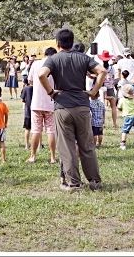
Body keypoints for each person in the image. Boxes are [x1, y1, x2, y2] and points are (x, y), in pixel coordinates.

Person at [38, 28, 106, 192]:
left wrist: (51, 92)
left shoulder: (54, 59)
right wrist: (93, 91)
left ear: (57, 43)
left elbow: (41, 75)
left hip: (63, 107)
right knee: (87, 145)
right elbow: (102, 71)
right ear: (72, 41)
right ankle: (95, 181)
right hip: (82, 106)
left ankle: (74, 183)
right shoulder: (83, 57)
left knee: (67, 147)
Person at [27, 47, 58, 164]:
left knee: (36, 130)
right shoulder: (55, 64)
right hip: (51, 101)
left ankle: (33, 156)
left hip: (37, 102)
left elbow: (30, 81)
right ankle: (52, 157)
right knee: (51, 130)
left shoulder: (35, 64)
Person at [117, 84, 134, 149]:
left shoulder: (122, 100)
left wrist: (122, 110)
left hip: (128, 117)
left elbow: (119, 107)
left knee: (125, 131)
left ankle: (123, 143)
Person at [97, 50, 118, 128]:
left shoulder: (100, 67)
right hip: (110, 87)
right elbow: (114, 76)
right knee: (113, 106)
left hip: (101, 87)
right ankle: (114, 123)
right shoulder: (112, 68)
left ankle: (103, 123)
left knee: (101, 106)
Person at [20, 79, 33, 149]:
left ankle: (27, 145)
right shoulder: (37, 87)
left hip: (28, 111)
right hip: (36, 111)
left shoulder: (25, 88)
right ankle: (39, 144)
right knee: (37, 129)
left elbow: (22, 99)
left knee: (27, 129)